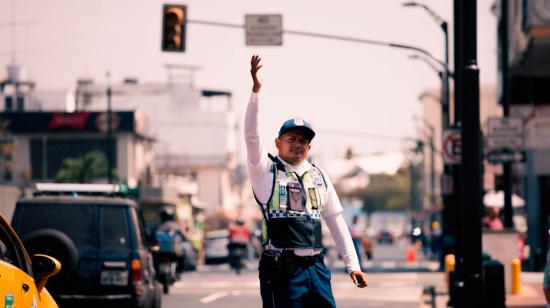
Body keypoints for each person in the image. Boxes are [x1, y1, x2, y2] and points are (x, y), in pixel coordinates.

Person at [245, 55, 368, 308]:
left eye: (303, 141)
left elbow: (336, 223)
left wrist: (352, 266)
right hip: (283, 271)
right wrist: (256, 91)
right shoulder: (265, 171)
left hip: (317, 269)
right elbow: (250, 136)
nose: (297, 144)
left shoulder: (319, 176)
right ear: (278, 142)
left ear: (310, 146)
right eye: (291, 139)